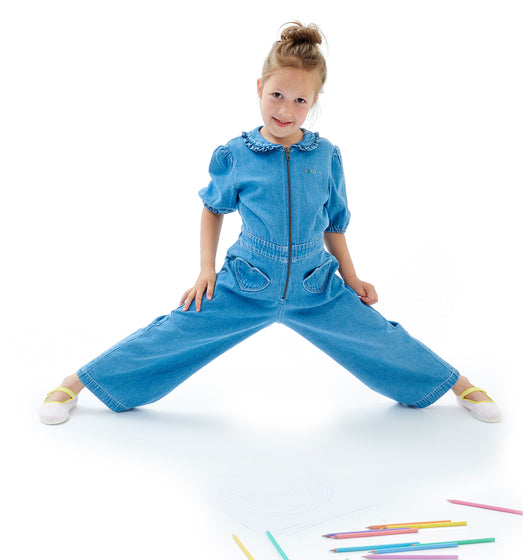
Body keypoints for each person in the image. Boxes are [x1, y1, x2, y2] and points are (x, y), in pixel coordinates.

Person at [38, 22, 501, 426]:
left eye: (300, 100)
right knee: (171, 333)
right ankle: (75, 382)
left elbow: (334, 224)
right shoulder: (236, 154)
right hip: (246, 282)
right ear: (259, 87)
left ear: (314, 102)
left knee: (382, 337)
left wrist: (352, 276)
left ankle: (460, 385)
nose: (285, 109)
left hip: (316, 285)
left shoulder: (326, 155)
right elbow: (213, 208)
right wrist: (206, 269)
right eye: (276, 95)